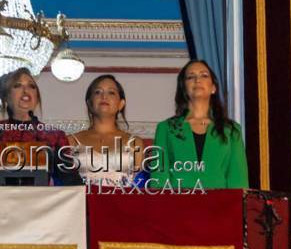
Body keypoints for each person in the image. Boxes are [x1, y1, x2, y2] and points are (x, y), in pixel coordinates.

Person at [151, 60, 248, 189]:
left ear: (213, 88)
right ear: (184, 88)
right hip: (178, 201)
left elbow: (238, 182)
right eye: (191, 77)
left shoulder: (232, 130)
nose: (197, 80)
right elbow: (158, 180)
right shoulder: (165, 129)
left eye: (204, 75)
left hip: (220, 202)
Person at [0, 67, 81, 186]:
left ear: (37, 97)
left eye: (31, 86)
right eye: (18, 85)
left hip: (39, 197)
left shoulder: (55, 136)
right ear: (6, 96)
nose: (26, 90)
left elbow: (70, 181)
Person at [68, 75, 145, 187]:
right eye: (98, 92)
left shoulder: (135, 143)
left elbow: (139, 188)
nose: (104, 96)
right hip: (82, 199)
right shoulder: (71, 141)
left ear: (121, 104)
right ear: (89, 103)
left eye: (111, 92)